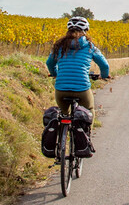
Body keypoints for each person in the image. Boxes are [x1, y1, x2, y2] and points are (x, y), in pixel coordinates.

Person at [45, 16, 111, 152]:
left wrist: (55, 73)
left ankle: (60, 142)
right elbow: (104, 65)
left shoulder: (59, 46)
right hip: (82, 88)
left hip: (61, 89)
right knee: (89, 110)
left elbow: (49, 63)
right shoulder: (90, 46)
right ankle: (86, 140)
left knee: (62, 114)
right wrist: (103, 76)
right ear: (86, 31)